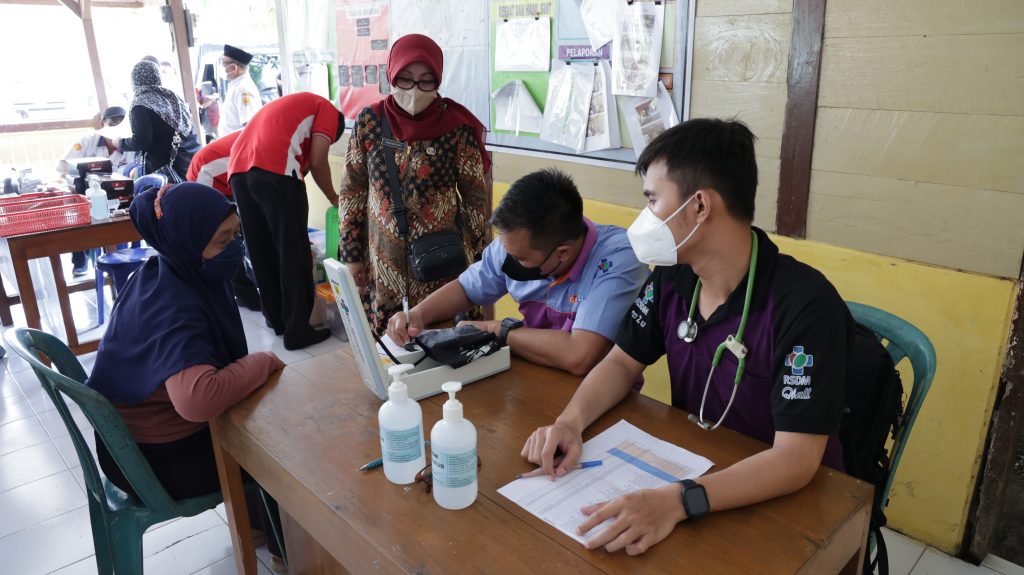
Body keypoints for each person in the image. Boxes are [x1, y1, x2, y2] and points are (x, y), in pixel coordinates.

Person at [521, 119, 854, 555]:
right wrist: (570, 422)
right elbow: (621, 363)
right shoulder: (674, 280)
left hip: (784, 503)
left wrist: (679, 501)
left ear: (699, 206)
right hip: (693, 472)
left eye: (653, 200)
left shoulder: (805, 305)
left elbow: (796, 459)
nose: (645, 219)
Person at [85, 183, 285, 557]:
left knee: (257, 418)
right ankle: (295, 552)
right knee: (280, 449)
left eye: (236, 235)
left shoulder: (162, 271)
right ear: (188, 241)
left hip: (128, 445)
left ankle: (260, 524)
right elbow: (197, 400)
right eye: (223, 240)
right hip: (154, 463)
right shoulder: (175, 304)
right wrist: (263, 362)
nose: (236, 247)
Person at [387, 169, 648, 376]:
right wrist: (418, 314)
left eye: (520, 259)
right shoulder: (515, 243)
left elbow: (579, 357)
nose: (508, 260)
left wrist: (495, 329)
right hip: (532, 371)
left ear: (563, 253)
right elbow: (467, 289)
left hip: (599, 393)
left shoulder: (618, 259)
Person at [339, 33, 491, 335]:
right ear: (392, 75)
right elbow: (352, 191)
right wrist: (352, 255)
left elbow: (476, 200)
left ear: (438, 80)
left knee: (444, 341)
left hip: (443, 265)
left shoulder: (457, 127)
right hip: (384, 264)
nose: (415, 90)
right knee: (392, 347)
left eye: (426, 81)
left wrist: (481, 261)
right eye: (405, 79)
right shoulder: (370, 121)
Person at [228, 92, 344, 350]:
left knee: (261, 251)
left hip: (238, 172)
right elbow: (317, 159)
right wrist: (334, 197)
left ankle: (278, 321)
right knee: (293, 252)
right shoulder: (326, 108)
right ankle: (298, 331)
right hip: (274, 171)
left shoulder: (289, 106)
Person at [185, 129, 261, 311]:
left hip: (226, 175)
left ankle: (246, 289)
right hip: (207, 173)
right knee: (222, 237)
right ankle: (243, 294)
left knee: (240, 232)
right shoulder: (269, 137)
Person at [57, 106, 133, 276]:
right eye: (112, 122)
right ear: (102, 123)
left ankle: (120, 260)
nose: (117, 126)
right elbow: (62, 164)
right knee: (74, 204)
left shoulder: (131, 144)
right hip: (87, 192)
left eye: (121, 122)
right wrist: (77, 178)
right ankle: (79, 259)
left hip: (118, 195)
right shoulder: (87, 140)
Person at [117, 60, 201, 180]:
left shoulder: (140, 104)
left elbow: (142, 141)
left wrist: (120, 143)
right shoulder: (173, 97)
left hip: (166, 170)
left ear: (134, 81)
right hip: (190, 160)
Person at [219, 44, 263, 133]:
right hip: (229, 145)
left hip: (236, 145)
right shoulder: (236, 86)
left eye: (223, 63)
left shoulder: (243, 89)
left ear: (233, 67)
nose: (221, 66)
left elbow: (249, 127)